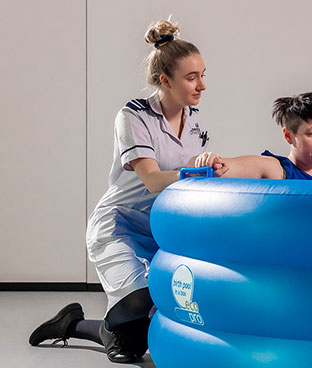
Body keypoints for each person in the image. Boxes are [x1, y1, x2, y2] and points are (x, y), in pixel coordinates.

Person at [28, 19, 213, 363]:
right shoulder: (133, 116)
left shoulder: (197, 120)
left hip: (160, 231)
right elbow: (154, 180)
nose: (202, 85)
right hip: (117, 227)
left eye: (203, 74)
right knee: (141, 304)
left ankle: (79, 324)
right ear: (165, 81)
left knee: (136, 340)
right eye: (191, 78)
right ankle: (84, 326)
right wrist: (197, 172)